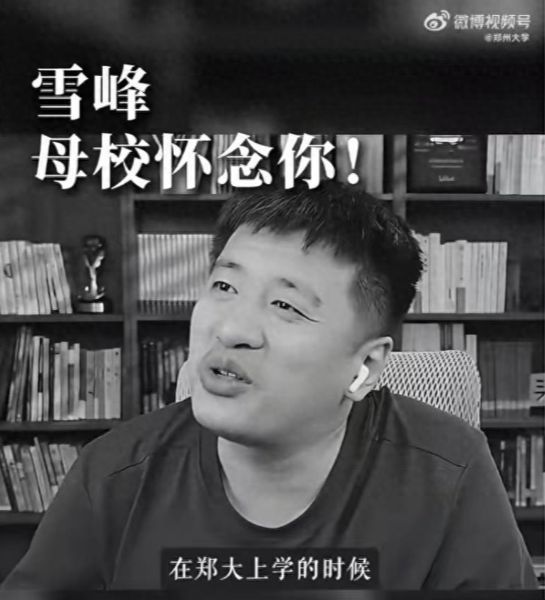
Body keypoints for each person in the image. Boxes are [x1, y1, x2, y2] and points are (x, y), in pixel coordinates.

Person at [2, 184, 537, 591]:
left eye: (286, 305)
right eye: (224, 285)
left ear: (366, 366)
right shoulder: (114, 475)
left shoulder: (449, 471)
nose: (231, 328)